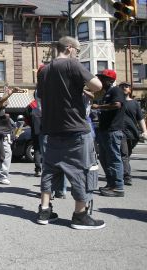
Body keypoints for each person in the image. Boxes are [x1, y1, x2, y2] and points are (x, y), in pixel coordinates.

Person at [36, 36, 104, 230]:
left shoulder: (44, 71)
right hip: (75, 128)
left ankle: (44, 209)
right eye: (78, 50)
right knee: (82, 171)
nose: (78, 53)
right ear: (69, 48)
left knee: (49, 170)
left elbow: (41, 98)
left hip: (52, 129)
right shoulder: (73, 65)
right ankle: (80, 215)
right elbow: (97, 86)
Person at [92, 69, 125, 197]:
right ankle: (111, 184)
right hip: (104, 131)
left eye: (102, 78)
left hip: (112, 130)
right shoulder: (107, 92)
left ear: (110, 80)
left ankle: (118, 187)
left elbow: (117, 105)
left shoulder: (116, 90)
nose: (100, 80)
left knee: (113, 159)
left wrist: (99, 107)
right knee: (105, 158)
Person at [118, 82, 147, 186]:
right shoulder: (116, 102)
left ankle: (122, 172)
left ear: (130, 90)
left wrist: (145, 131)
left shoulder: (135, 103)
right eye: (122, 87)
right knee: (124, 154)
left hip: (133, 133)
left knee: (127, 154)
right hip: (121, 132)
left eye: (126, 86)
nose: (124, 88)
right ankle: (127, 177)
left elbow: (140, 118)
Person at [0, 87, 17, 185]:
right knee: (6, 153)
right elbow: (2, 100)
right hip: (0, 134)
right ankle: (2, 176)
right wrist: (10, 93)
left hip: (1, 134)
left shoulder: (2, 111)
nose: (7, 101)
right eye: (6, 100)